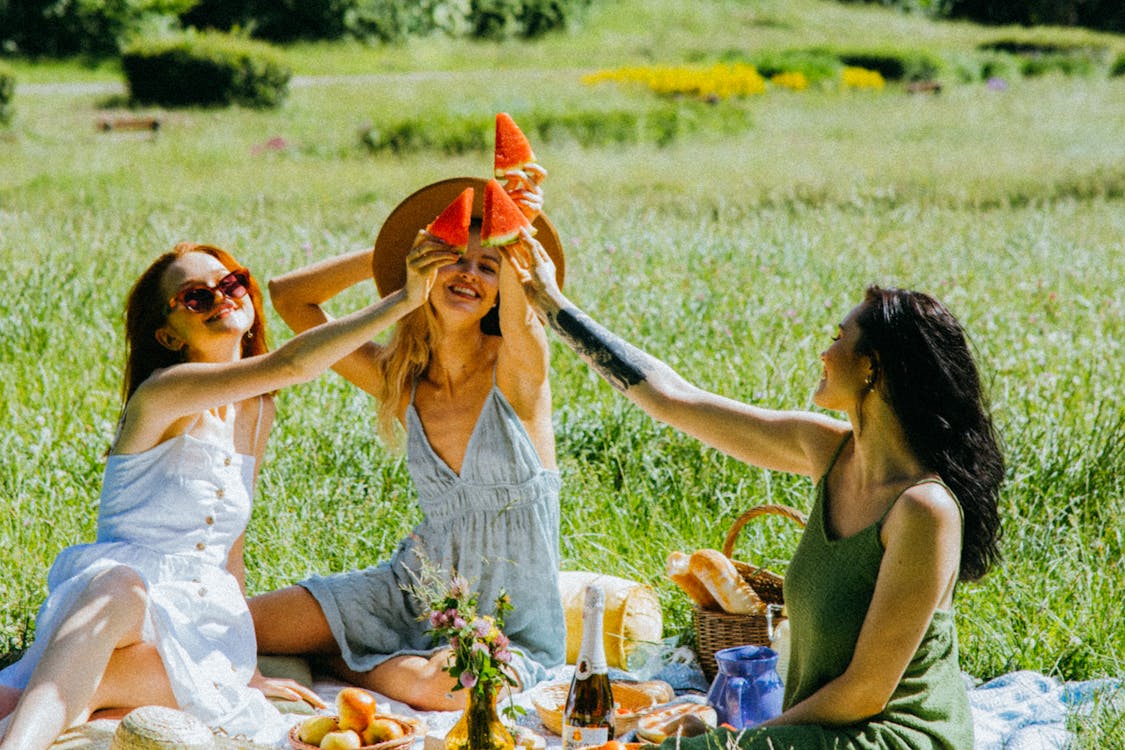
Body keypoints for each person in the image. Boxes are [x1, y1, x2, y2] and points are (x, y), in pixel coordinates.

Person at [503, 237, 1004, 749]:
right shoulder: (825, 450)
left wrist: (741, 739)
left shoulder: (924, 510)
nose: (824, 352)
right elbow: (674, 399)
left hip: (893, 738)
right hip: (817, 729)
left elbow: (864, 694)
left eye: (838, 337)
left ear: (872, 367)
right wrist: (553, 305)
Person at [0, 238, 460, 750]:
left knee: (78, 686)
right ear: (168, 335)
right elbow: (290, 365)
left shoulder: (257, 409)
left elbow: (231, 545)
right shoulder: (164, 391)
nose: (223, 297)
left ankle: (35, 710)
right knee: (120, 586)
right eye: (196, 297)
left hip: (200, 624)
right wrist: (403, 299)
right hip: (117, 608)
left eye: (233, 282)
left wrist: (248, 668)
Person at [248, 174, 568, 711]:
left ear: (503, 285)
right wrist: (403, 254)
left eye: (486, 266)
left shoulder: (518, 369)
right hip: (409, 592)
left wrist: (515, 234)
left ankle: (345, 660)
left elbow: (525, 315)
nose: (468, 274)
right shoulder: (401, 380)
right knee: (240, 623)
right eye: (453, 259)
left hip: (507, 624)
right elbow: (290, 297)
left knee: (458, 687)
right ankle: (375, 651)